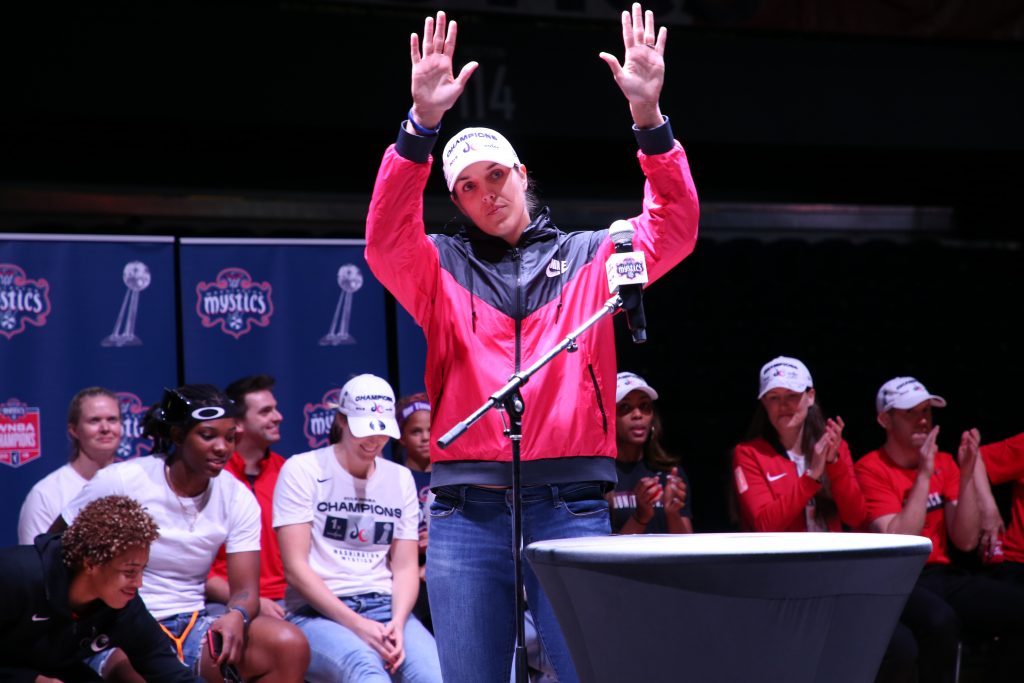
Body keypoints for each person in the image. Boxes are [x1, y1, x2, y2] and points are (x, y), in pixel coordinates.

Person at [364, 4, 699, 681]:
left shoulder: (591, 253)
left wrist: (649, 119)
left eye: (496, 175)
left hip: (571, 506)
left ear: (522, 173)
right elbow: (383, 241)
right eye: (468, 186)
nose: (488, 193)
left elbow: (677, 227)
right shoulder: (437, 267)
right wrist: (419, 128)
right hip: (465, 511)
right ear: (455, 201)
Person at [57, 384, 309, 683]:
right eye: (208, 435)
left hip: (193, 626)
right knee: (142, 672)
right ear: (177, 436)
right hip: (119, 626)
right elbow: (54, 547)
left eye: (229, 437)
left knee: (287, 645)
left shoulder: (237, 496)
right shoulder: (123, 480)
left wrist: (236, 615)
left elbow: (245, 592)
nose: (222, 447)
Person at [855, 376, 1024, 683]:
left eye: (927, 411)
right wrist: (924, 475)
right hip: (899, 579)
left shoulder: (945, 462)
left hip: (944, 575)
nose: (922, 420)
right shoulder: (870, 468)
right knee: (940, 621)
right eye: (910, 412)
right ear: (885, 420)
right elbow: (899, 541)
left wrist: (967, 474)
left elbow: (966, 539)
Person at [275, 374, 441, 682]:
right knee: (365, 670)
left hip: (385, 608)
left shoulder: (399, 478)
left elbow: (404, 567)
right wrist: (356, 624)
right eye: (364, 431)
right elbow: (295, 568)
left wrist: (399, 623)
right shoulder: (303, 469)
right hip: (316, 612)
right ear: (340, 420)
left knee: (435, 676)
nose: (374, 442)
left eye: (382, 433)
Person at [1, 495, 196, 683]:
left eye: (142, 570)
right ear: (91, 563)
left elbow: (167, 668)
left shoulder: (125, 605)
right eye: (129, 572)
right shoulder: (14, 575)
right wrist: (29, 679)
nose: (139, 584)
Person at [732, 356, 867, 533]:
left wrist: (833, 463)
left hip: (832, 557)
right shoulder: (749, 453)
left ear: (810, 397)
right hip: (782, 559)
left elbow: (856, 517)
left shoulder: (835, 446)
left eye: (792, 395)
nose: (783, 405)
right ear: (764, 402)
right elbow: (764, 526)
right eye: (774, 398)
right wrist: (811, 478)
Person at [206, 374, 288, 620]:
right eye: (266, 412)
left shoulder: (288, 472)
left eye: (275, 409)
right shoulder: (212, 477)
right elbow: (197, 569)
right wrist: (252, 600)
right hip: (227, 600)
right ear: (238, 424)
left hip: (291, 600)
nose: (278, 417)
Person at [18, 387, 123, 545]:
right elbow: (34, 563)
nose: (105, 428)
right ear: (74, 430)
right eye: (94, 420)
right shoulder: (45, 494)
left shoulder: (135, 481)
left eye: (112, 419)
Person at [610, 371, 693, 534]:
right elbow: (600, 554)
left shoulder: (669, 473)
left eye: (644, 406)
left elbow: (686, 550)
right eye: (625, 407)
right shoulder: (601, 478)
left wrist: (672, 512)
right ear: (610, 417)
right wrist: (640, 517)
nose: (638, 415)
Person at [394, 392, 433, 632]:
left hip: (442, 561)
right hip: (404, 565)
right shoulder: (393, 477)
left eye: (430, 430)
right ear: (401, 437)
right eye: (416, 432)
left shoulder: (451, 475)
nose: (425, 438)